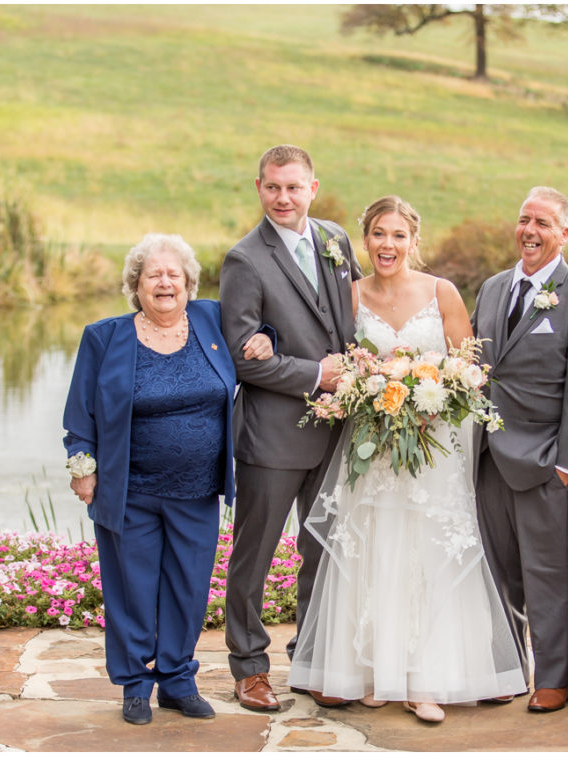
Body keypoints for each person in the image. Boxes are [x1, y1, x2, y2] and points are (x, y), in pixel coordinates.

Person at [289, 196, 527, 723]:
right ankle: (379, 672)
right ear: (365, 239)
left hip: (433, 453)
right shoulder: (349, 296)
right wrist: (370, 393)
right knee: (376, 551)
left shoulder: (441, 292)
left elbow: (471, 370)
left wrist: (433, 400)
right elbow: (341, 365)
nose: (387, 245)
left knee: (426, 554)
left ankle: (425, 680)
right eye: (378, 235)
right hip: (373, 453)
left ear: (413, 240)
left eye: (398, 235)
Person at [63, 233, 274, 725]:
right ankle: (136, 686)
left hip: (198, 489)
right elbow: (80, 415)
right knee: (131, 588)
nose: (163, 283)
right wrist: (83, 466)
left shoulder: (211, 320)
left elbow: (257, 332)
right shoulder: (104, 337)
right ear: (135, 285)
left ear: (188, 283)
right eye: (152, 275)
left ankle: (178, 680)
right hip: (128, 489)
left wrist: (269, 338)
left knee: (188, 588)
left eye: (172, 275)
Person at [218, 144, 362, 712]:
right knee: (253, 554)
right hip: (272, 434)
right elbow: (242, 357)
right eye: (273, 187)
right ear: (259, 188)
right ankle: (249, 666)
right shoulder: (244, 260)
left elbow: (348, 321)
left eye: (294, 187)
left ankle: (312, 657)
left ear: (313, 188)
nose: (284, 198)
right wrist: (318, 374)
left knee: (321, 548)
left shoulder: (335, 239)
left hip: (336, 432)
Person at [470, 186, 568, 714]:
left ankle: (554, 676)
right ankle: (507, 670)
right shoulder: (490, 288)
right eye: (524, 218)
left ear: (564, 234)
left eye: (543, 223)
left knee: (550, 575)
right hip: (488, 457)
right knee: (497, 571)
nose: (530, 230)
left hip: (547, 462)